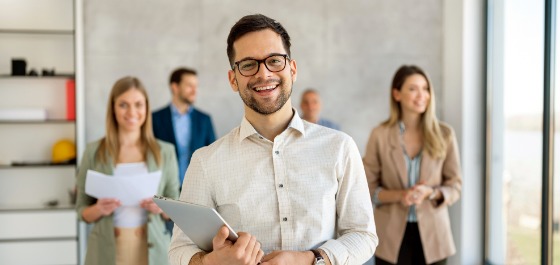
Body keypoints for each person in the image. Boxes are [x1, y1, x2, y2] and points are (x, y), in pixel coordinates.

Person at [169, 14, 377, 265]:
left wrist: (311, 260)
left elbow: (363, 235)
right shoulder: (205, 162)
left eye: (274, 61)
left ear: (292, 69)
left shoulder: (340, 148)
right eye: (248, 65)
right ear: (233, 79)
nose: (263, 73)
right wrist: (211, 262)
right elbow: (179, 251)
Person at [362, 65, 462, 265]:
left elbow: (455, 186)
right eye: (413, 89)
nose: (422, 95)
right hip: (390, 237)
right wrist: (401, 195)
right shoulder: (379, 135)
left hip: (435, 238)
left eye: (425, 89)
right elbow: (366, 189)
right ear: (397, 94)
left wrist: (430, 193)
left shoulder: (445, 134)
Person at [76, 76, 180, 265]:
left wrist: (162, 207)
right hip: (105, 250)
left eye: (138, 104)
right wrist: (98, 209)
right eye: (123, 105)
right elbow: (81, 211)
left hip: (152, 249)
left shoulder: (165, 152)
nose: (132, 111)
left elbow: (176, 206)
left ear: (146, 108)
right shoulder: (94, 151)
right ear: (113, 108)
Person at [152, 67, 216, 188]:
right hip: (165, 188)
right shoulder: (155, 119)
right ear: (175, 87)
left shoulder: (204, 119)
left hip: (198, 188)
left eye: (196, 86)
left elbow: (213, 156)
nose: (194, 90)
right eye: (189, 86)